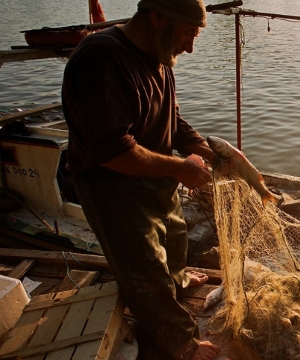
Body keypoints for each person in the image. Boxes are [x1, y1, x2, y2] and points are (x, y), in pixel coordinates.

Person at [62, 1, 222, 359]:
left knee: (176, 237)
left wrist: (208, 150)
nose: (190, 47)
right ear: (156, 17)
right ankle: (180, 342)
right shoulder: (102, 58)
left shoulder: (159, 55)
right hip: (110, 184)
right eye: (186, 34)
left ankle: (178, 282)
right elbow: (114, 152)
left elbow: (172, 120)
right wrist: (181, 168)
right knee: (144, 269)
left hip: (154, 178)